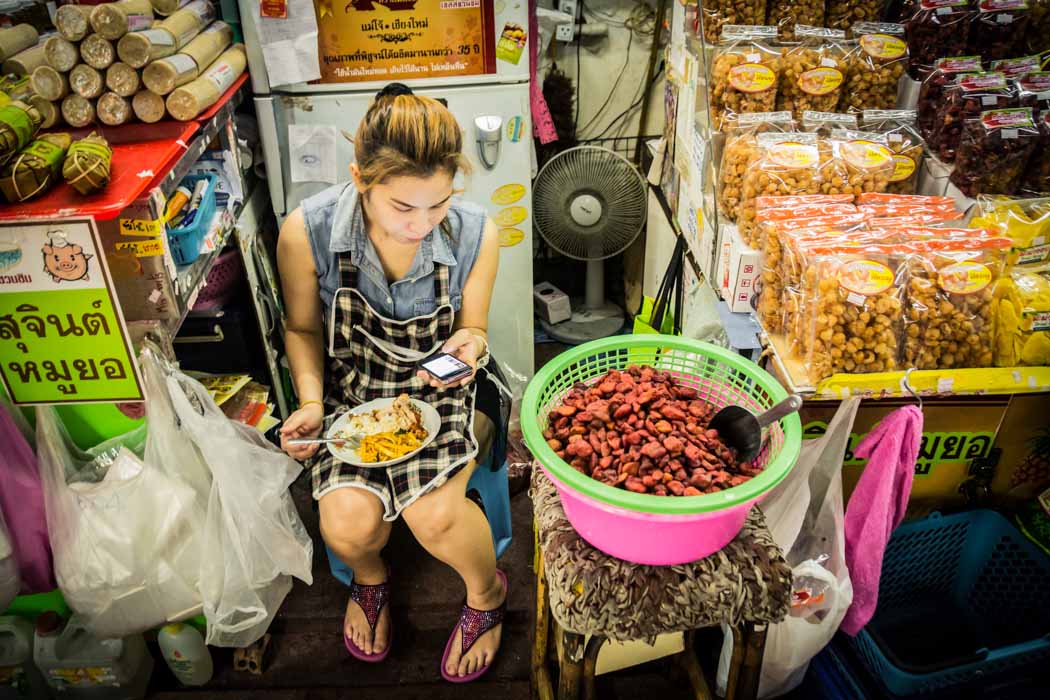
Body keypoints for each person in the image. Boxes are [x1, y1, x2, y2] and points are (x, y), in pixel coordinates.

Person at [276, 82, 509, 683]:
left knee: (437, 519)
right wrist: (308, 402)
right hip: (354, 397)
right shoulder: (308, 231)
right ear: (360, 178)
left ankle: (487, 595)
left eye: (438, 205)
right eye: (403, 207)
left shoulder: (477, 231)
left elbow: (474, 327)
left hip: (441, 392)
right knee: (347, 527)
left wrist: (472, 343)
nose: (423, 224)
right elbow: (301, 328)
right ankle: (372, 579)